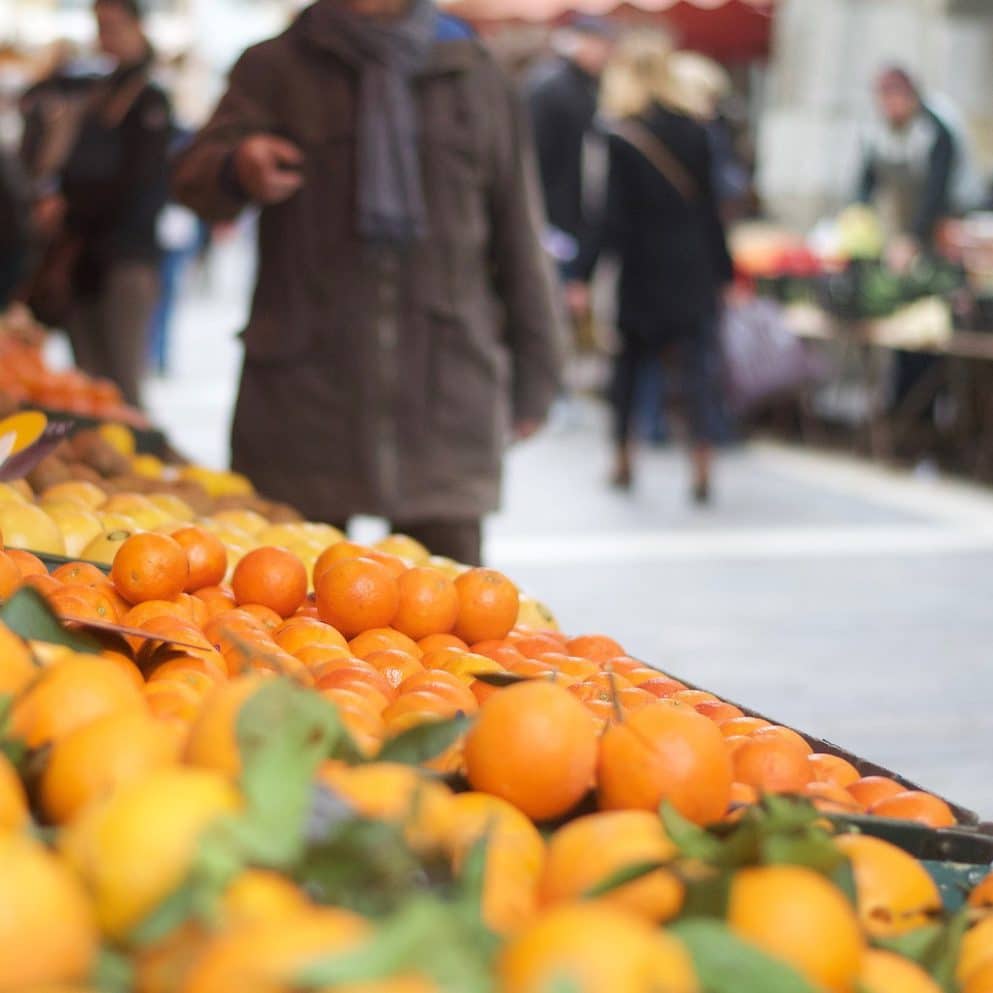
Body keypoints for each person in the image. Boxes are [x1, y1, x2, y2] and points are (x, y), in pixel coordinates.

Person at [173, 0, 565, 566]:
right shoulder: (276, 66)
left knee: (453, 622)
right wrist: (235, 166)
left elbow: (520, 233)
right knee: (284, 610)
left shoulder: (474, 72)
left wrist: (538, 373)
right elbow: (191, 178)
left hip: (445, 390)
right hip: (303, 396)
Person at [582, 32, 732, 502]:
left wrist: (584, 275)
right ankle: (702, 464)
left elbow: (611, 218)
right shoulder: (697, 129)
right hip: (692, 268)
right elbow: (712, 210)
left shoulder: (620, 134)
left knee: (629, 368)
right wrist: (724, 271)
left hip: (643, 268)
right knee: (696, 373)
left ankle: (624, 460)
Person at [23, 0, 172, 407]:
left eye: (114, 26)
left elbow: (138, 186)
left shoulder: (148, 99)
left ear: (137, 27)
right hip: (81, 258)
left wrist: (72, 207)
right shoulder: (98, 92)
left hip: (124, 258)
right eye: (100, 26)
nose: (106, 36)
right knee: (88, 386)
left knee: (121, 387)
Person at [859, 67, 957, 412]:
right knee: (901, 327)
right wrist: (856, 223)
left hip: (938, 242)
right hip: (899, 240)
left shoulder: (935, 133)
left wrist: (913, 239)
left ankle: (925, 414)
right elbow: (864, 185)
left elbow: (936, 193)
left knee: (926, 333)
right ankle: (900, 407)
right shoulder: (877, 132)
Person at [527, 16, 617, 322]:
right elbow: (544, 166)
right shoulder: (554, 91)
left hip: (571, 225)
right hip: (557, 227)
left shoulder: (582, 89)